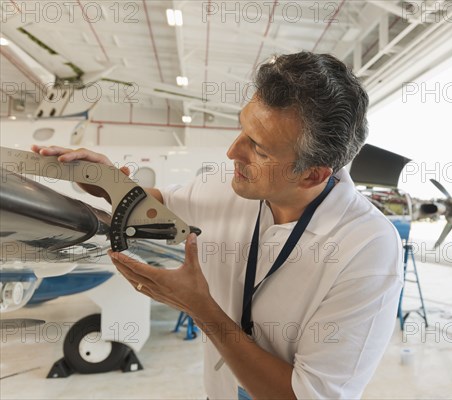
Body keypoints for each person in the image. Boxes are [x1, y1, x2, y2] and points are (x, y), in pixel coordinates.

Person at [33, 52, 403, 399]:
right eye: (241, 129)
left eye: (259, 149)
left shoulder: (367, 250)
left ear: (312, 175)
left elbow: (304, 394)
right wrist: (108, 183)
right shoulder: (228, 184)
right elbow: (160, 208)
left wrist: (201, 309)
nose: (232, 152)